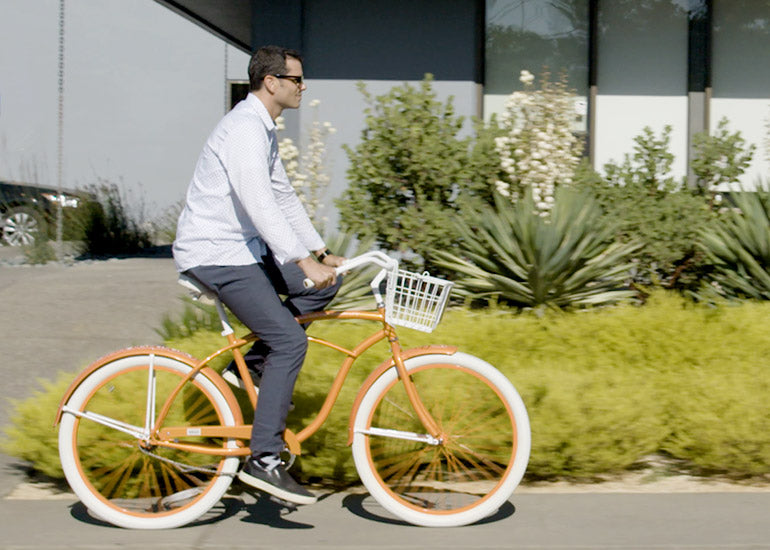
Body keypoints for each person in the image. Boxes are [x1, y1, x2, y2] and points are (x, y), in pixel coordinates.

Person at [172, 45, 345, 505]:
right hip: (216, 253)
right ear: (272, 82)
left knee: (327, 286)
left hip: (243, 250)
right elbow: (259, 202)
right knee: (289, 342)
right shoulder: (244, 129)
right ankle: (264, 459)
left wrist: (321, 253)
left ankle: (247, 370)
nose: (303, 87)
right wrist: (301, 261)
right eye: (297, 80)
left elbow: (282, 196)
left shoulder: (261, 128)